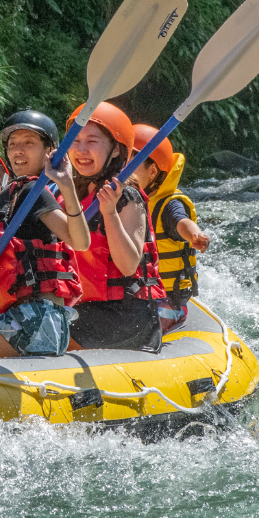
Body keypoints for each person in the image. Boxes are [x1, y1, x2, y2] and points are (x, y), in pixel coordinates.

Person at [0, 114, 91, 360]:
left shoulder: (31, 191)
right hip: (20, 316)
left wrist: (67, 185)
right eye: (13, 144)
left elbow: (80, 241)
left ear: (50, 150)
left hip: (39, 319)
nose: (18, 150)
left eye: (28, 143)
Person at [65, 102, 165, 352]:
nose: (81, 149)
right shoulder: (72, 192)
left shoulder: (127, 195)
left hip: (123, 318)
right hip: (82, 309)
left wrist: (109, 212)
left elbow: (129, 264)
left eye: (92, 141)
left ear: (116, 150)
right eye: (75, 141)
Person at [129, 124, 209, 331]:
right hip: (134, 293)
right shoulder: (119, 199)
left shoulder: (169, 204)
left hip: (166, 299)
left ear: (153, 171)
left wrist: (194, 234)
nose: (123, 171)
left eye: (131, 164)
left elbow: (180, 221)